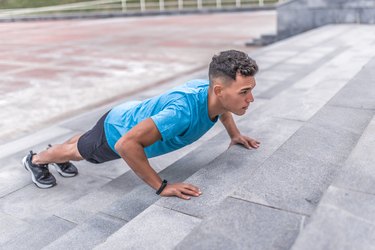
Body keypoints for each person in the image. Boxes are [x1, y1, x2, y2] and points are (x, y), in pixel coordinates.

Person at [22, 50, 260, 200]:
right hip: (117, 132)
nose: (250, 99)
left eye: (251, 90)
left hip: (126, 115)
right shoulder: (182, 113)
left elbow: (223, 110)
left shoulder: (211, 94)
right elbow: (127, 145)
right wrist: (161, 186)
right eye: (245, 92)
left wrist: (234, 135)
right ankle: (35, 160)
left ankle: (71, 146)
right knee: (80, 151)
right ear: (219, 90)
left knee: (87, 139)